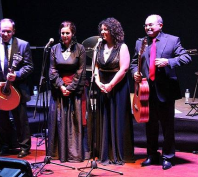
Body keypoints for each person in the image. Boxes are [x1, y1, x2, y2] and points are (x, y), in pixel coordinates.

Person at [130, 14, 192, 170]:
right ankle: (151, 155)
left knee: (167, 126)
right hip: (145, 91)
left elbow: (186, 57)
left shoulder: (172, 40)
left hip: (165, 90)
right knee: (150, 126)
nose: (148, 28)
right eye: (145, 25)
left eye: (151, 25)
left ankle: (168, 156)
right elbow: (133, 64)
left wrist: (168, 62)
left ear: (160, 25)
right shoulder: (140, 43)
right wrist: (134, 73)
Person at [0, 18, 34, 158]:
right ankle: (4, 146)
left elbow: (29, 66)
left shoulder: (23, 45)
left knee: (21, 119)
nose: (5, 34)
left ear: (14, 31)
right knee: (1, 119)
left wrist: (16, 75)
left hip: (17, 88)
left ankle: (24, 147)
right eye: (3, 31)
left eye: (9, 31)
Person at [94, 17, 135, 165]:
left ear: (114, 31)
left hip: (117, 87)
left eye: (106, 29)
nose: (103, 32)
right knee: (104, 117)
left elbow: (124, 69)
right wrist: (98, 82)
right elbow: (96, 66)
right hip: (102, 85)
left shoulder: (122, 47)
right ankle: (104, 151)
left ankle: (118, 152)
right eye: (102, 29)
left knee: (117, 118)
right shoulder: (99, 46)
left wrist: (111, 84)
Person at [48, 21, 87, 162]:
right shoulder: (54, 49)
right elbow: (52, 70)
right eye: (63, 33)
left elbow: (81, 71)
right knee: (58, 120)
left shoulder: (80, 49)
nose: (65, 35)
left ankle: (74, 155)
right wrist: (61, 86)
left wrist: (70, 88)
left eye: (67, 33)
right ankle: (58, 154)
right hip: (59, 90)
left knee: (74, 123)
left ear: (73, 34)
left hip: (74, 90)